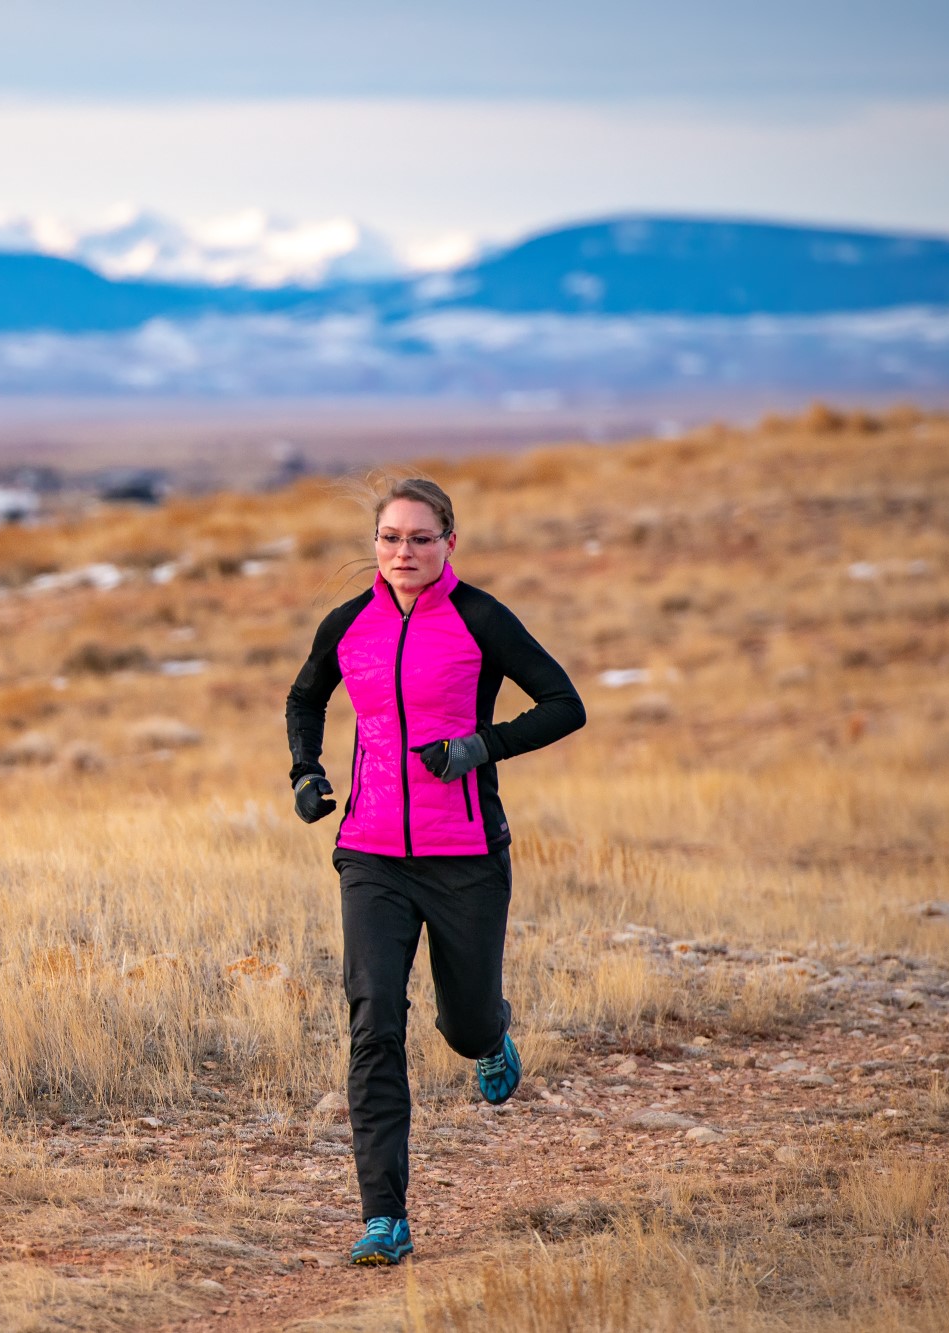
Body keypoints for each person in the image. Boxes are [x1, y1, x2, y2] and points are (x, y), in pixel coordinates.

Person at [284, 475, 585, 1266]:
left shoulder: (481, 619)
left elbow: (564, 702)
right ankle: (384, 1215)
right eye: (389, 538)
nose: (403, 552)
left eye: (420, 538)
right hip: (372, 851)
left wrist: (480, 746)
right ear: (374, 543)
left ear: (450, 539)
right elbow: (305, 696)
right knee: (373, 1019)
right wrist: (305, 772)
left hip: (466, 857)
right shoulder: (350, 625)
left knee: (464, 1022)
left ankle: (491, 1035)